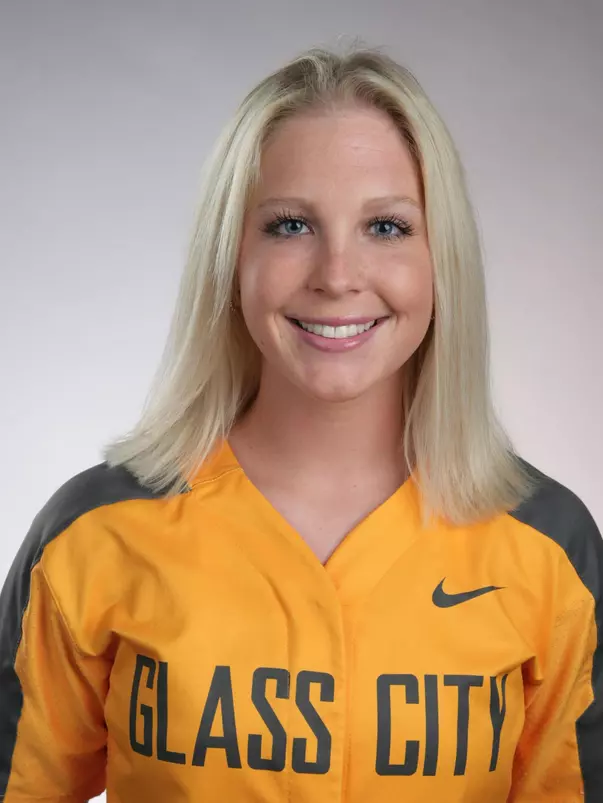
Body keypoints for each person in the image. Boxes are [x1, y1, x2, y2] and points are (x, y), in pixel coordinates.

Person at [0, 41, 601, 803]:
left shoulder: (548, 548)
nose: (337, 274)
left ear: (440, 258)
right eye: (289, 225)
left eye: (385, 227)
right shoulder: (95, 533)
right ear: (231, 255)